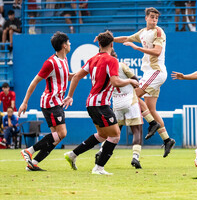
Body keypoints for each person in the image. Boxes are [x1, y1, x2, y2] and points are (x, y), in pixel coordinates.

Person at [63, 31, 139, 175]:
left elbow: (76, 76)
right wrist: (130, 80)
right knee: (115, 135)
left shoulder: (92, 59)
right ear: (112, 44)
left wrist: (70, 95)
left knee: (102, 135)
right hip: (101, 104)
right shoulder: (112, 60)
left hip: (91, 103)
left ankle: (73, 154)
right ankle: (99, 168)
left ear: (99, 44)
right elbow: (115, 81)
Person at [112, 7, 176, 158]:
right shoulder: (142, 32)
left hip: (156, 72)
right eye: (152, 17)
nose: (154, 20)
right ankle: (167, 140)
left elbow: (157, 52)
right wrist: (110, 39)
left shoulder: (158, 32)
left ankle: (153, 124)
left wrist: (137, 48)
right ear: (146, 18)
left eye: (156, 18)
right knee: (151, 109)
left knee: (132, 96)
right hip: (150, 73)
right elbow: (126, 38)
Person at [18, 32, 73, 171]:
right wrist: (25, 102)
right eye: (69, 42)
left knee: (56, 138)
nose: (70, 44)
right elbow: (34, 82)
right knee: (62, 134)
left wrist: (84, 73)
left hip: (57, 102)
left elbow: (67, 76)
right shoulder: (50, 63)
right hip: (51, 102)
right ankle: (29, 150)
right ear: (64, 45)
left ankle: (33, 163)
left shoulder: (64, 60)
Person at [96, 52, 143, 169]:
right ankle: (135, 157)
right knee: (137, 130)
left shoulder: (103, 68)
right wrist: (134, 84)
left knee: (113, 132)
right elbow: (134, 78)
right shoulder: (121, 65)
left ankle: (101, 150)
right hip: (129, 101)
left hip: (116, 103)